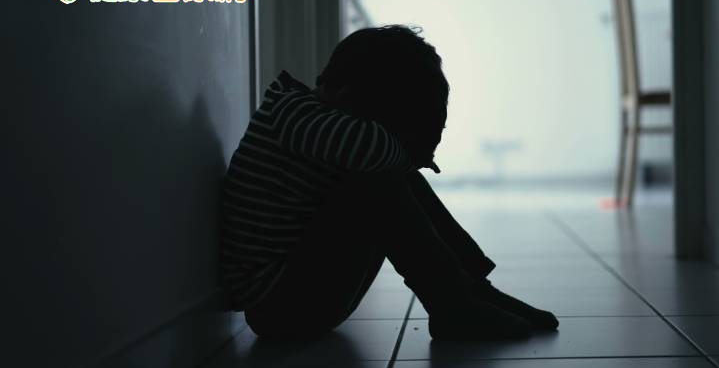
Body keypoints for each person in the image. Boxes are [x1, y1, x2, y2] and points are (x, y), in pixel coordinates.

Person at [219, 25, 558, 340]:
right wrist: (414, 153)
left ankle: (472, 290)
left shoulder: (318, 118)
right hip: (278, 308)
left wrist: (408, 156)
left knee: (392, 174)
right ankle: (453, 304)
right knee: (377, 182)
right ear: (347, 97)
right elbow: (371, 147)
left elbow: (375, 149)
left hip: (304, 293)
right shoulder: (292, 114)